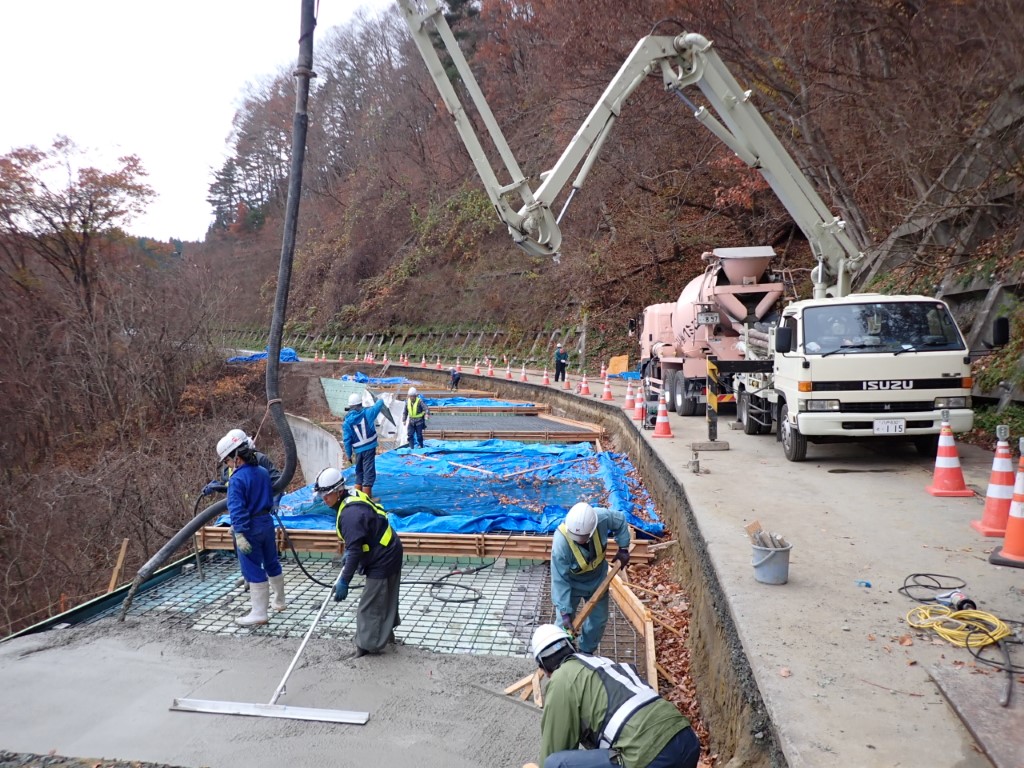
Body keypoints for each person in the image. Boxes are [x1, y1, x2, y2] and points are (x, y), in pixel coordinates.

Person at [526, 624, 701, 768]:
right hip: (687, 740)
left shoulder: (561, 679)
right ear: (572, 646)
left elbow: (555, 748)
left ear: (544, 669)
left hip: (650, 757)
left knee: (555, 764)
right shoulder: (602, 664)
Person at [314, 467, 403, 658]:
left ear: (338, 491)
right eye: (322, 494)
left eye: (327, 494)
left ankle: (366, 648)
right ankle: (386, 635)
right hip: (388, 548)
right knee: (383, 598)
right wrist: (351, 548)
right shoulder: (350, 497)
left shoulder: (349, 515)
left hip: (384, 556)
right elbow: (358, 539)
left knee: (369, 605)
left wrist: (344, 580)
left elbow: (355, 551)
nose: (324, 498)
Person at [216, 430, 287, 625]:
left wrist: (238, 532)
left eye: (227, 461)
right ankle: (279, 601)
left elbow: (237, 509)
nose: (228, 465)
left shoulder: (237, 479)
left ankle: (259, 613)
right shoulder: (262, 472)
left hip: (250, 529)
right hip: (266, 524)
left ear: (236, 458)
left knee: (253, 567)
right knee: (272, 562)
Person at [551, 502, 631, 653]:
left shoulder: (601, 518)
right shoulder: (561, 544)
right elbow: (559, 579)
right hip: (572, 585)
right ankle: (561, 653)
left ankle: (586, 652)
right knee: (564, 624)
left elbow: (620, 521)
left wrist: (624, 547)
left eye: (583, 537)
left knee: (598, 621)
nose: (579, 540)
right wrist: (564, 611)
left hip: (598, 581)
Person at [342, 391, 387, 499]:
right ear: (360, 404)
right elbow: (379, 404)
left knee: (359, 470)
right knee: (368, 471)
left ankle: (358, 494)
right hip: (369, 448)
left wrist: (348, 455)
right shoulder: (368, 413)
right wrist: (379, 399)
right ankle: (367, 498)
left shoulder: (347, 422)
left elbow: (347, 440)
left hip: (358, 450)